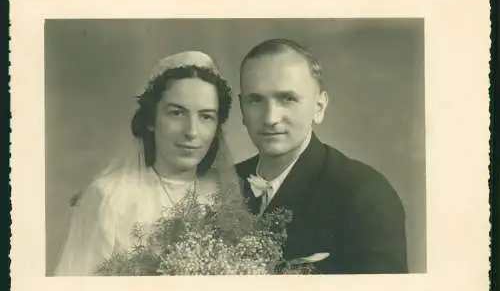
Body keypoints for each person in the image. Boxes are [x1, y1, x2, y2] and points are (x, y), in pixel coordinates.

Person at [54, 51, 239, 276]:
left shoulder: (224, 195)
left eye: (206, 116)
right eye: (177, 113)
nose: (192, 132)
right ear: (151, 120)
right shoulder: (109, 197)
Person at [236, 39, 408, 274]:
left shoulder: (364, 194)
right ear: (241, 109)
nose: (270, 118)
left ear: (319, 107)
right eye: (255, 100)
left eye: (288, 99)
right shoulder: (218, 184)